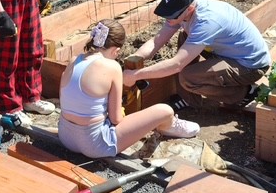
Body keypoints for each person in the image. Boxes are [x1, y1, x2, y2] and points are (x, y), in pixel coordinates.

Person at [58, 19, 200, 158]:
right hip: (95, 145)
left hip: (66, 137)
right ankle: (167, 125)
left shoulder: (74, 61)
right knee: (165, 110)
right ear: (116, 50)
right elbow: (116, 119)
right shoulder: (112, 67)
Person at [123, 0, 271, 110]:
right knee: (185, 36)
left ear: (190, 9)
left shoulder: (206, 21)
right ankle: (188, 99)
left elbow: (176, 65)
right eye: (165, 13)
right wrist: (134, 59)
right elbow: (157, 41)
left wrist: (136, 76)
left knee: (188, 77)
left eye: (172, 15)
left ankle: (244, 92)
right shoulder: (183, 7)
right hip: (227, 51)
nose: (168, 19)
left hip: (250, 65)